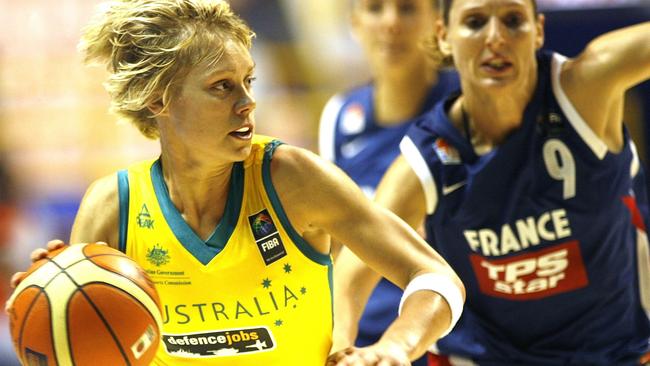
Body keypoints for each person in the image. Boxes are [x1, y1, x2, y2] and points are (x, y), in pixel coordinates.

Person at [5, 0, 465, 365]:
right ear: (159, 99)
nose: (248, 102)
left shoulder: (292, 178)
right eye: (222, 86)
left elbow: (437, 277)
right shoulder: (113, 206)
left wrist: (395, 347)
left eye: (249, 81)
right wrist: (49, 307)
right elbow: (82, 348)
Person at [334, 0, 650, 364]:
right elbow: (349, 277)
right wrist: (339, 351)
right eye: (475, 22)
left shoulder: (585, 89)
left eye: (513, 20)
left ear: (539, 31)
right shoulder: (426, 160)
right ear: (444, 36)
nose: (496, 37)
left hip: (614, 353)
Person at [318, 1, 458, 365]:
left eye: (408, 8)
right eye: (376, 8)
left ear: (438, 23)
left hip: (446, 331)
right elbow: (333, 248)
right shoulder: (339, 115)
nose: (392, 23)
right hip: (359, 338)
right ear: (355, 23)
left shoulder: (464, 106)